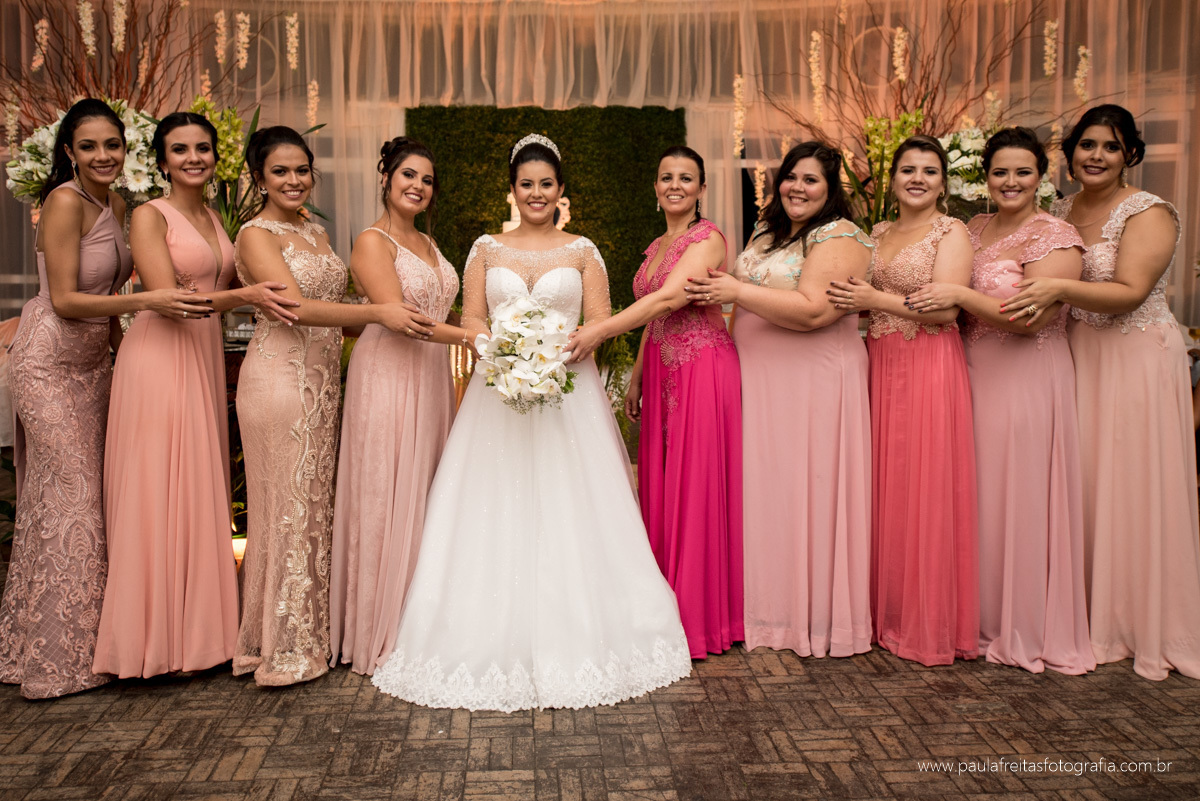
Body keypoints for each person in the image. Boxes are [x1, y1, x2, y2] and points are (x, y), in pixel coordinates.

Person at [371, 134, 692, 711]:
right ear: (513, 190)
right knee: (492, 507)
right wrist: (505, 351)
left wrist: (554, 355)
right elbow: (470, 319)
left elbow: (598, 323)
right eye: (527, 184)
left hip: (570, 398)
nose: (536, 193)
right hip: (496, 397)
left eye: (546, 184)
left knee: (577, 510)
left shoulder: (583, 250)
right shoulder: (485, 248)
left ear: (561, 190)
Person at [0, 99, 198, 697]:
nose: (103, 156)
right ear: (69, 152)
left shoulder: (118, 205)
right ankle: (60, 659)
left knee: (89, 498)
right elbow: (63, 299)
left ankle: (71, 640)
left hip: (94, 366)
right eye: (89, 147)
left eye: (112, 145)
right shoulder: (62, 201)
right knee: (74, 498)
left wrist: (127, 358)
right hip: (46, 362)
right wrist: (145, 305)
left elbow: (109, 301)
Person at [93, 112, 300, 680]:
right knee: (158, 487)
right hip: (159, 357)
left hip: (202, 353)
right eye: (180, 149)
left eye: (203, 148)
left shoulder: (214, 217)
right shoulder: (147, 215)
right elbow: (167, 298)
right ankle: (150, 643)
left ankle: (199, 640)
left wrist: (250, 288)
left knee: (195, 484)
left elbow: (214, 293)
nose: (193, 158)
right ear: (161, 160)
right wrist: (252, 292)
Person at [1002, 105, 1200, 680]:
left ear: (1129, 154)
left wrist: (1054, 284)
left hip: (1134, 356)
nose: (1095, 156)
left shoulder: (1149, 211)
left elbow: (1132, 291)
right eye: (1086, 145)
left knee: (1131, 482)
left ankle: (1138, 619)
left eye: (1109, 147)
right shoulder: (1059, 210)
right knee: (1080, 481)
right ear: (1069, 154)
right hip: (1076, 355)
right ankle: (1080, 611)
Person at [233, 126, 419, 686]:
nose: (293, 180)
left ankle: (300, 633)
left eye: (301, 170)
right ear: (258, 178)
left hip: (321, 383)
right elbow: (297, 309)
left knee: (311, 507)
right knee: (285, 507)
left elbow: (334, 298)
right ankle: (281, 646)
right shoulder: (255, 235)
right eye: (280, 171)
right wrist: (380, 314)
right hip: (278, 381)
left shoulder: (314, 230)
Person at [907, 127, 1095, 675]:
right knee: (977, 493)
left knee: (1020, 492)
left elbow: (1031, 318)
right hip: (969, 372)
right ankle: (975, 614)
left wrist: (960, 295)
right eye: (1000, 172)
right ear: (984, 177)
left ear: (1042, 176)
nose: (1010, 182)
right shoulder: (974, 227)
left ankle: (1023, 623)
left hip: (1028, 372)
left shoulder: (1054, 235)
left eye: (1023, 172)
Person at [687, 141, 873, 659]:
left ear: (831, 188)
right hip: (760, 383)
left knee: (805, 491)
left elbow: (815, 310)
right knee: (764, 494)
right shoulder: (768, 231)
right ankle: (761, 611)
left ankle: (805, 617)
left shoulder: (842, 236)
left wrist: (734, 292)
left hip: (811, 386)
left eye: (811, 180)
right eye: (792, 177)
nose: (797, 187)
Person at [565, 145, 743, 660]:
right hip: (663, 366)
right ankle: (661, 606)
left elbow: (668, 300)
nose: (675, 186)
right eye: (667, 177)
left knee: (697, 487)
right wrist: (639, 373)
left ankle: (699, 621)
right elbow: (656, 318)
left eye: (686, 178)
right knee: (664, 487)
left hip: (703, 368)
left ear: (702, 189)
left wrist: (600, 329)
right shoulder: (655, 247)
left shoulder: (708, 239)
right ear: (655, 186)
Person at [825, 136, 979, 666]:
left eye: (929, 171)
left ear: (943, 182)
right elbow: (853, 301)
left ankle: (924, 622)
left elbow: (945, 311)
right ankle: (884, 614)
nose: (918, 178)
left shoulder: (952, 232)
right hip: (880, 363)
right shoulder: (879, 233)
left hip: (930, 363)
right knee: (884, 486)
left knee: (926, 486)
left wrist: (873, 300)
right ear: (892, 180)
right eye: (908, 169)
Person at [330, 137, 478, 676]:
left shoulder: (430, 244)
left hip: (433, 376)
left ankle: (424, 621)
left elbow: (441, 311)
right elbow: (402, 318)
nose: (418, 186)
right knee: (385, 492)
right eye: (408, 175)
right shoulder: (373, 242)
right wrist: (478, 341)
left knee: (425, 492)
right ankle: (379, 628)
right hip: (388, 375)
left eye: (428, 179)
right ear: (386, 179)